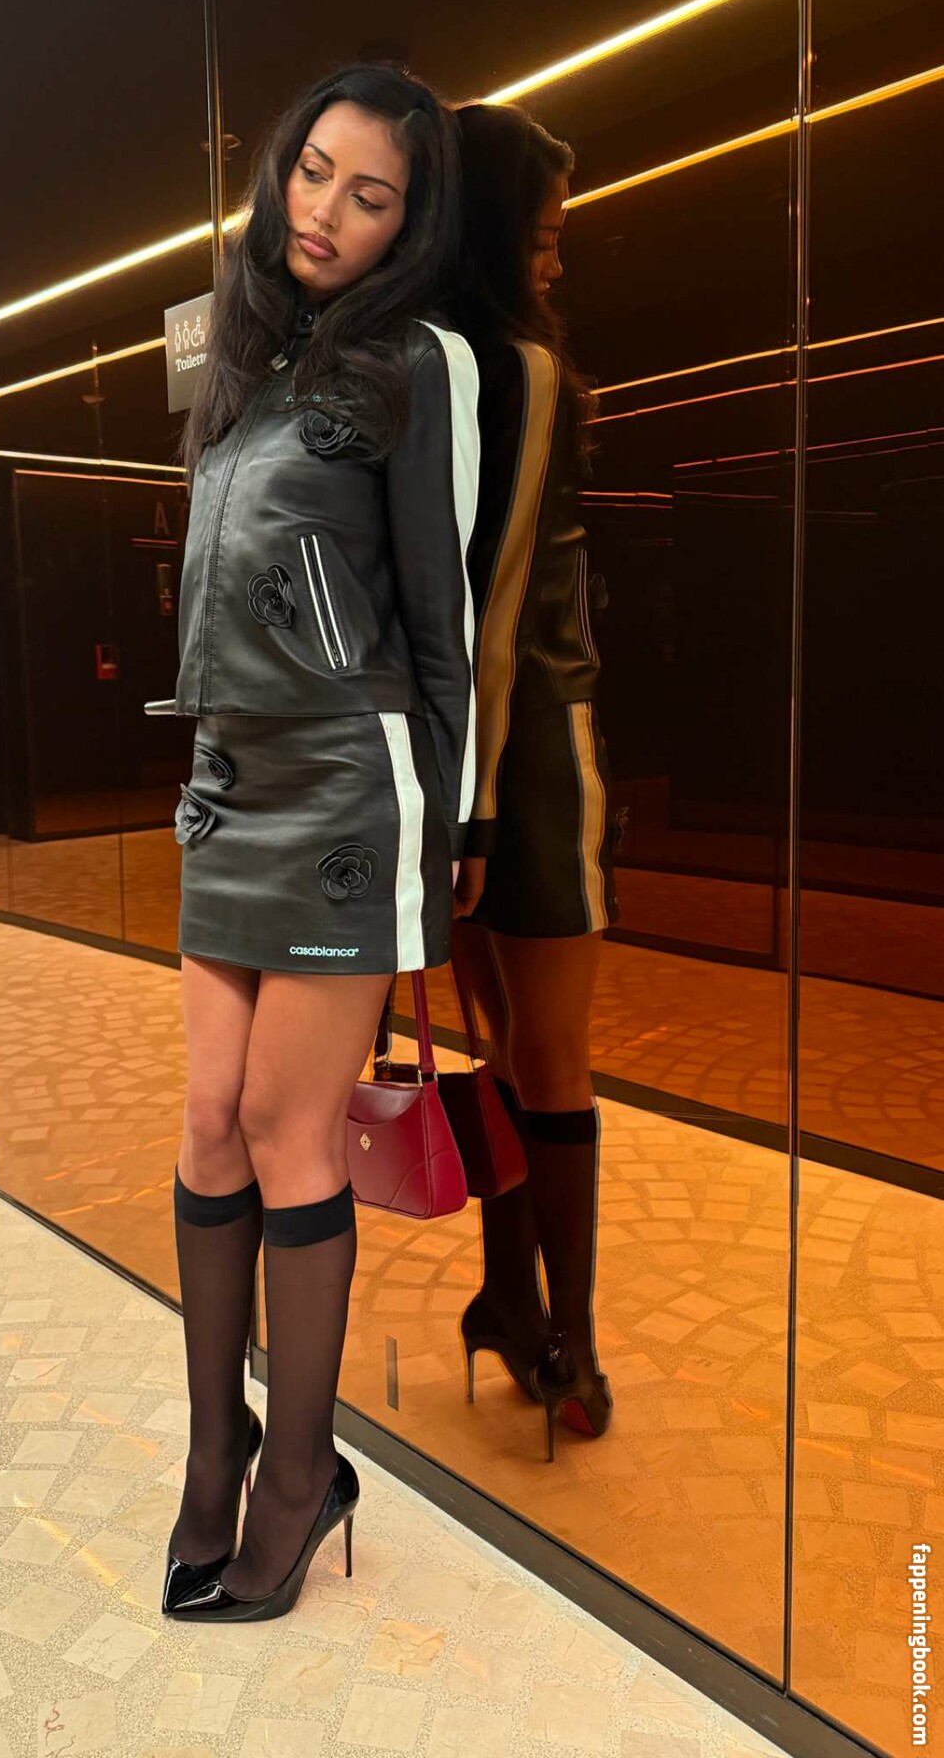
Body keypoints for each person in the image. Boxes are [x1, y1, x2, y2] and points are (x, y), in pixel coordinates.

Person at [151, 64, 480, 1619]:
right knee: (208, 1123)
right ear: (280, 169)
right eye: (314, 171)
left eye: (372, 194)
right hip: (230, 785)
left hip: (349, 786)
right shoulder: (248, 365)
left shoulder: (417, 366)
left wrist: (447, 839)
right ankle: (215, 1452)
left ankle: (298, 1475)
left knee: (289, 1128)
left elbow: (442, 623)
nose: (329, 210)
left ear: (410, 224)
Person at [449, 101, 620, 1462]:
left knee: (509, 1051)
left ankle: (517, 1303)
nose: (558, 260)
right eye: (545, 234)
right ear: (495, 236)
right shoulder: (517, 366)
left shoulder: (438, 368)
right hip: (530, 755)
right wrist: (482, 801)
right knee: (547, 1057)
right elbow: (500, 605)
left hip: (462, 764)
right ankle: (565, 1339)